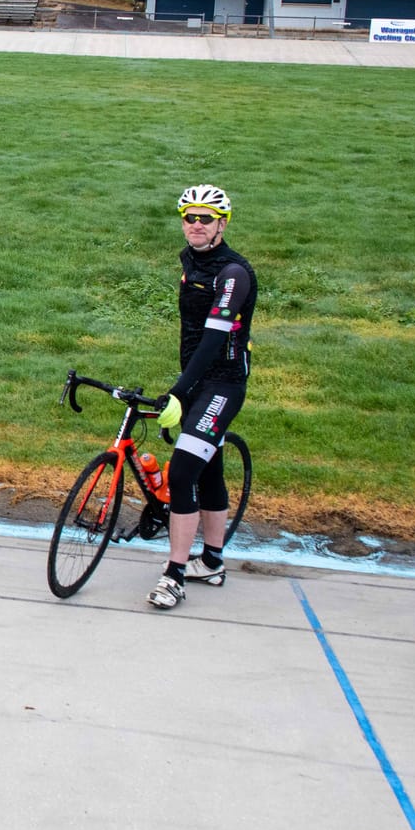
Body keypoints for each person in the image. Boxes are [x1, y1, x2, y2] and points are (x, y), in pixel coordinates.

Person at [148, 184, 254, 610]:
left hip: (223, 385)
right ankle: (211, 562)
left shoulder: (233, 273)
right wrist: (186, 384)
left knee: (182, 473)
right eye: (189, 217)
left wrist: (179, 390)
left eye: (205, 218)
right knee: (209, 471)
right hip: (196, 381)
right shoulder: (191, 261)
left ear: (221, 225)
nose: (195, 224)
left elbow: (213, 339)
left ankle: (174, 575)